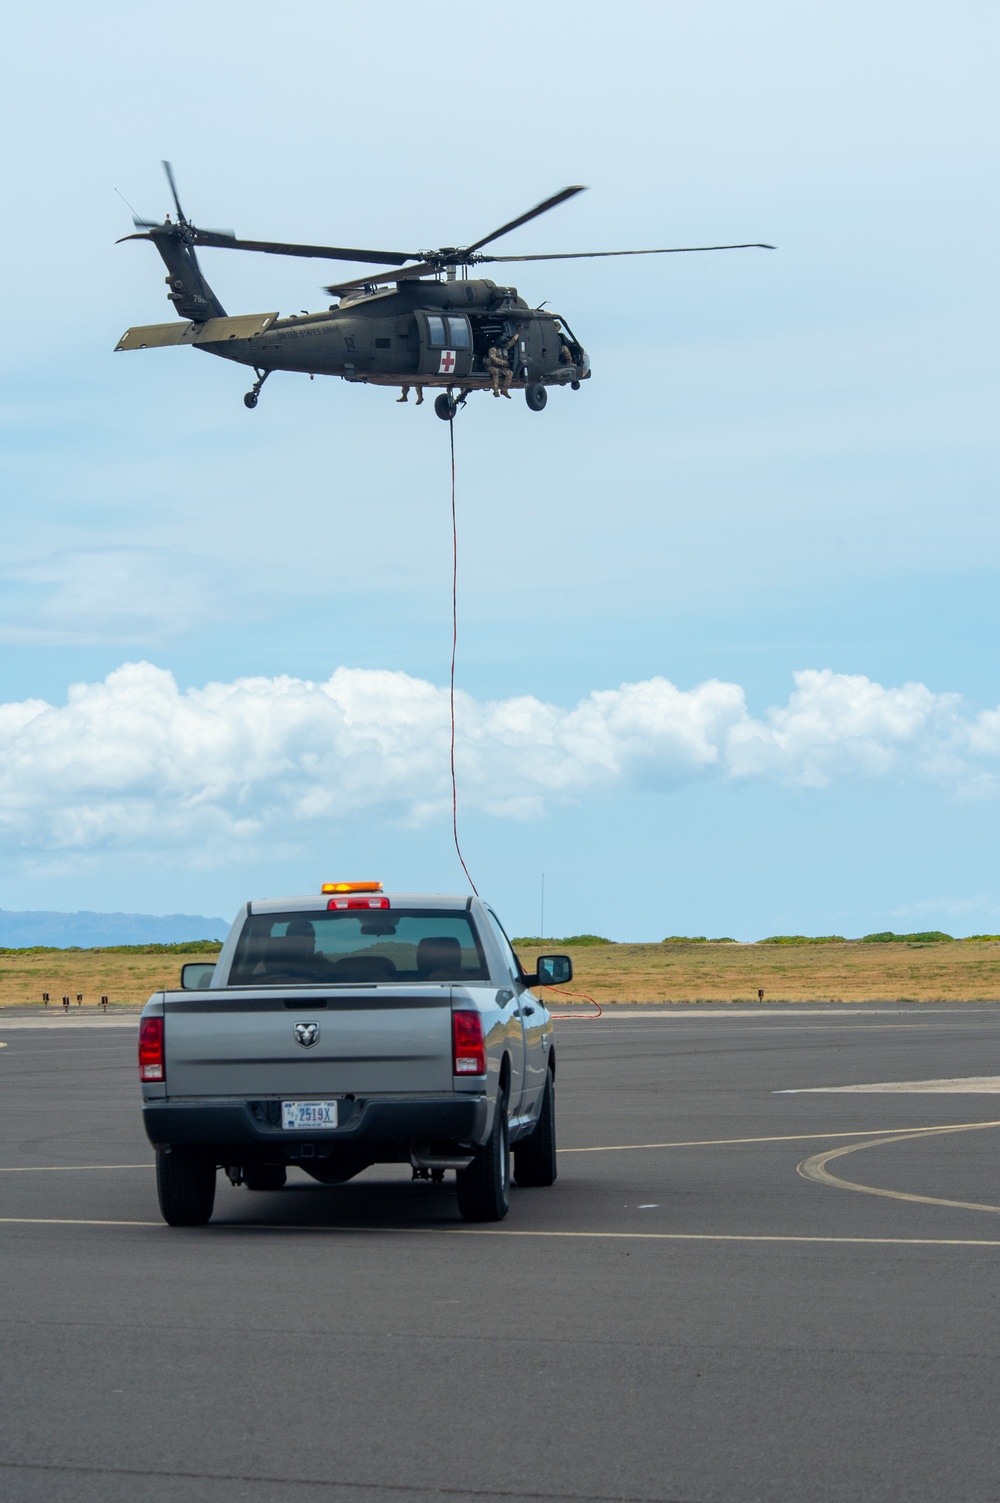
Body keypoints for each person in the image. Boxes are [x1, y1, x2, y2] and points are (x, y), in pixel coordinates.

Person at [484, 326, 523, 398]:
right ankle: (495, 390)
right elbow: (493, 358)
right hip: (491, 367)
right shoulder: (493, 350)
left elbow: (513, 340)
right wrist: (502, 362)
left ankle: (504, 390)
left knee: (509, 373)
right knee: (495, 372)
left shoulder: (505, 348)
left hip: (501, 368)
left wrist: (518, 332)